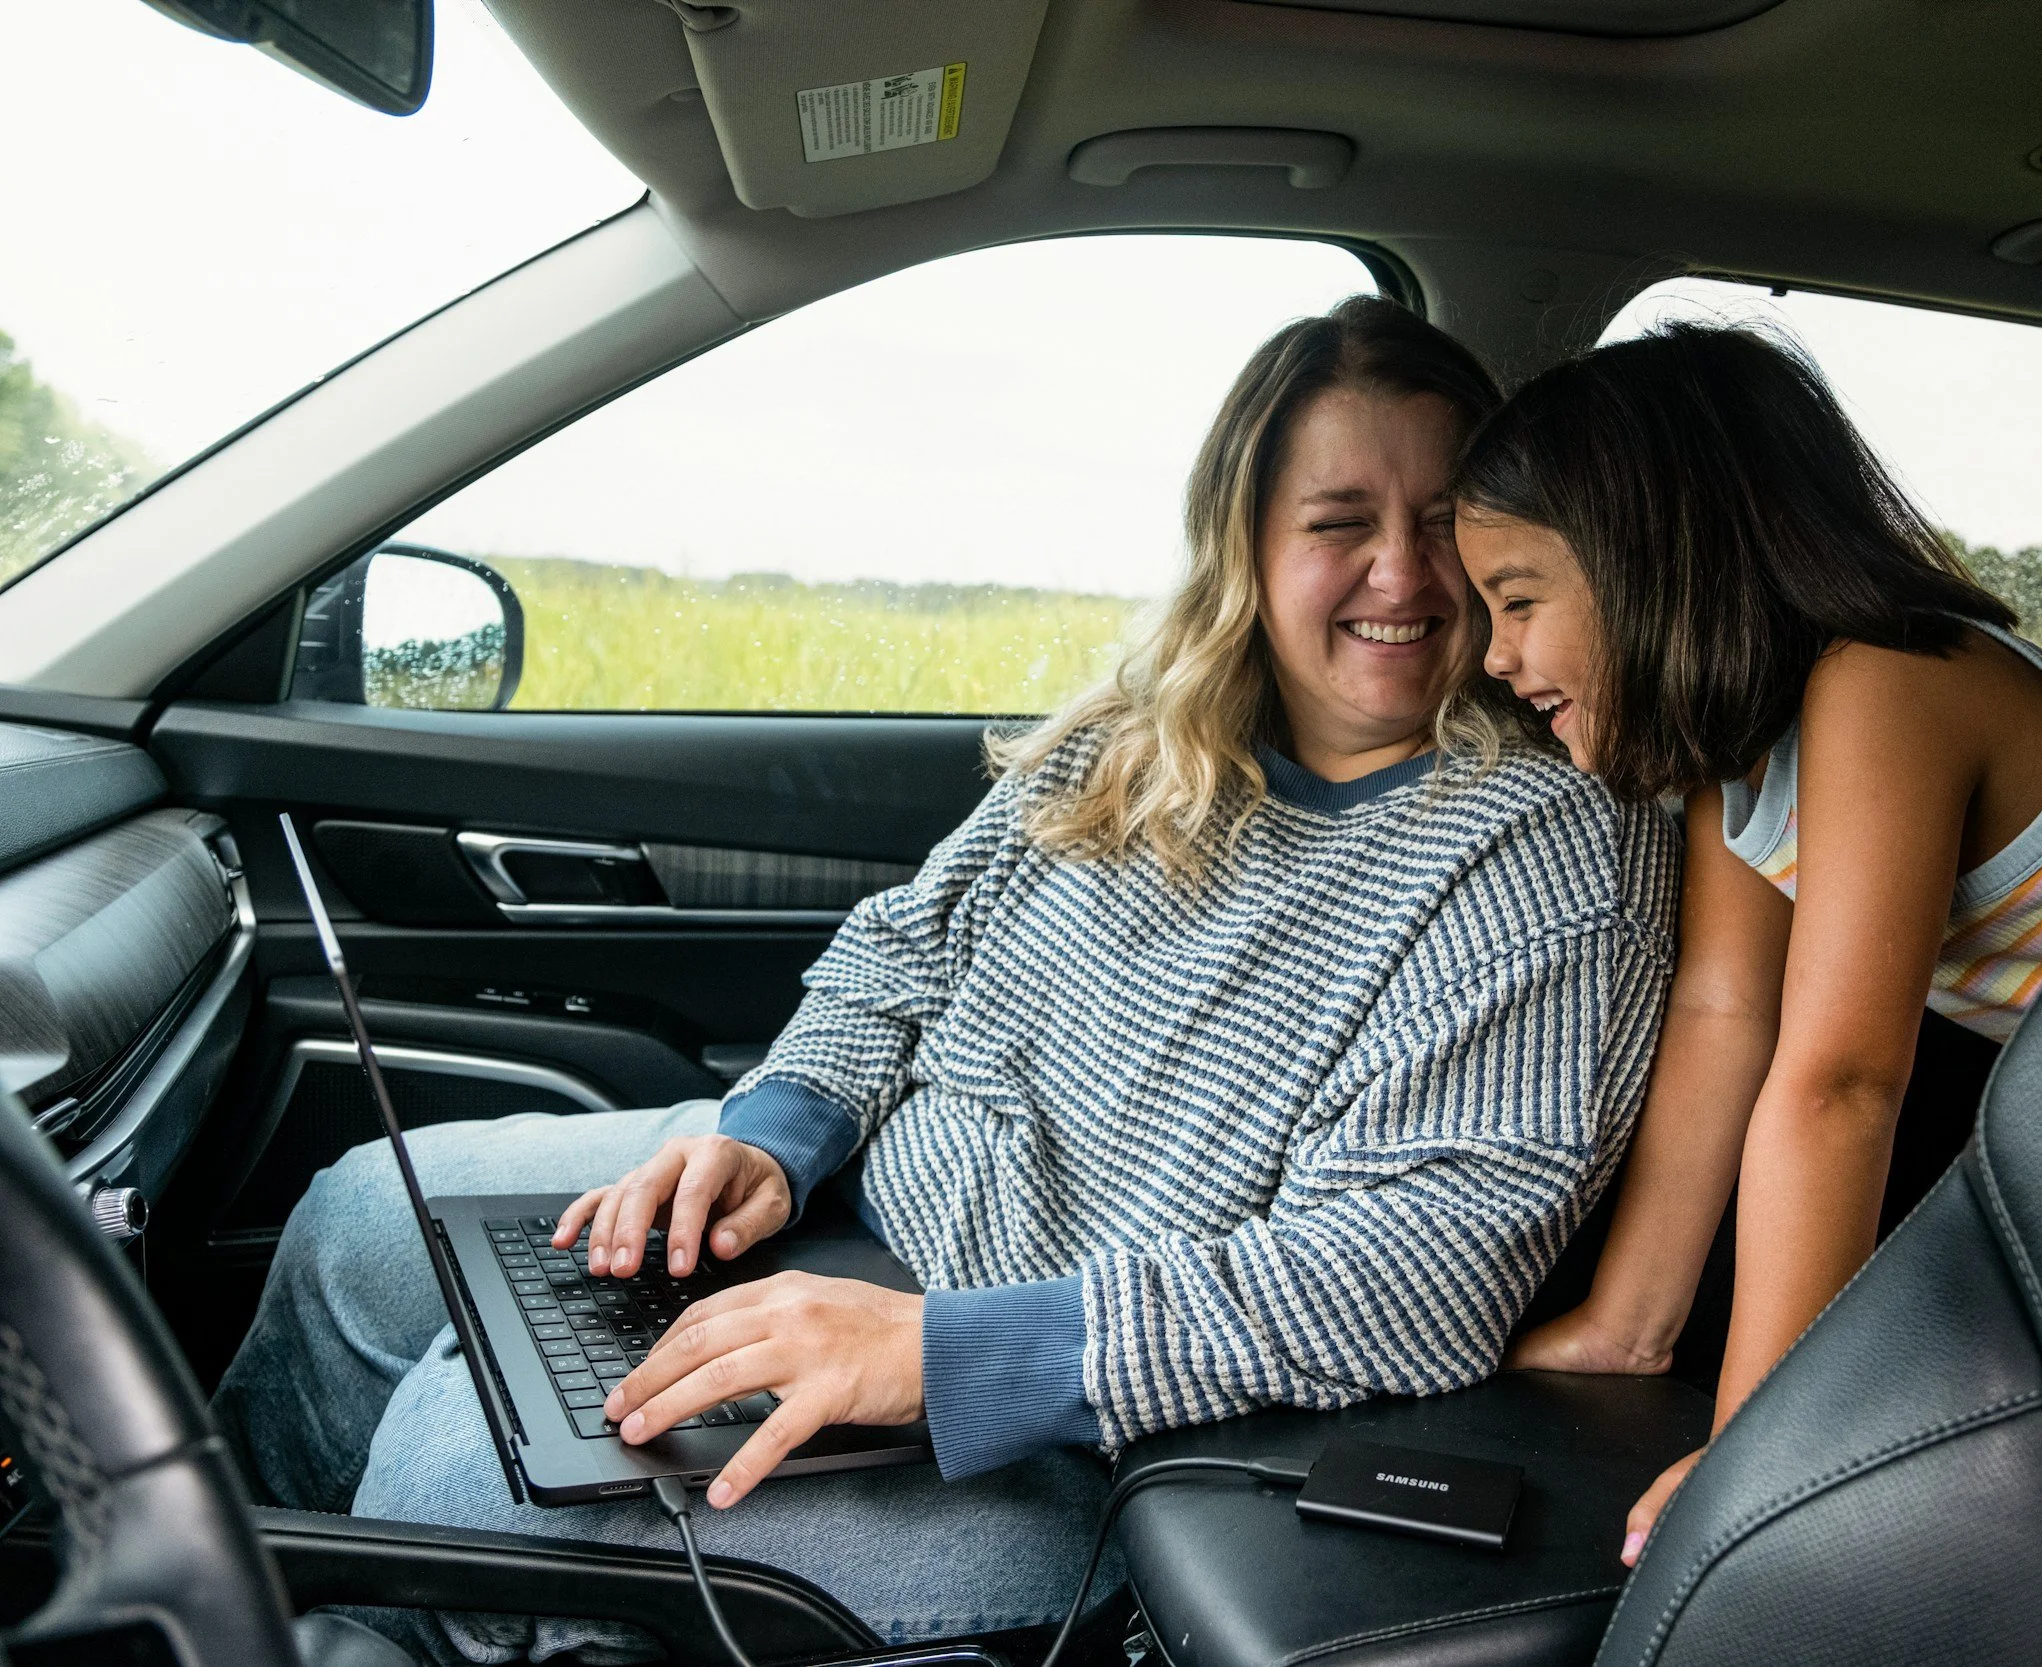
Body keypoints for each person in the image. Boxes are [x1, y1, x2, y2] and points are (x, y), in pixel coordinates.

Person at [213, 296, 1680, 1663]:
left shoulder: (1539, 849)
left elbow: (1414, 1270)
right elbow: (905, 947)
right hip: (863, 1232)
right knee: (359, 1219)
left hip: (1067, 1424)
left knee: (467, 1471)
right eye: (1341, 521)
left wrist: (940, 1352)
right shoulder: (1136, 733)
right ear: (1246, 543)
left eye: (1441, 525)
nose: (1403, 573)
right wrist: (771, 1134)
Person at [1448, 320, 2042, 1566]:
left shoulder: (1889, 681)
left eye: (1519, 600)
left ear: (1659, 567)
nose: (1496, 654)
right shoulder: (1741, 758)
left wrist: (1755, 1447)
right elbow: (1723, 1014)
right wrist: (1627, 1323)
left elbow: (1842, 1078)